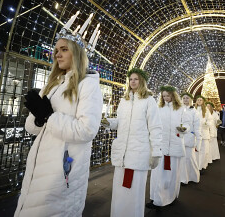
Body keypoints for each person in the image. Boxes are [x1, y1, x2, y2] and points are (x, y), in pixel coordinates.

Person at [15, 36, 103, 217]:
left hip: (62, 172)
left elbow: (86, 130)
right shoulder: (53, 84)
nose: (57, 55)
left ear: (77, 53)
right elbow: (32, 127)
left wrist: (49, 116)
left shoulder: (88, 85)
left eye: (64, 49)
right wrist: (39, 118)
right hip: (38, 168)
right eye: (56, 51)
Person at [101, 68, 162, 217]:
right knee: (120, 190)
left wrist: (156, 152)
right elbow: (120, 122)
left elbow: (155, 127)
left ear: (142, 81)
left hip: (138, 152)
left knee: (134, 191)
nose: (133, 81)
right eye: (131, 79)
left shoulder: (149, 101)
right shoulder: (124, 100)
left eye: (136, 79)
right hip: (122, 153)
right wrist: (108, 122)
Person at [147, 86, 189, 208]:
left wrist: (184, 129)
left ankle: (171, 196)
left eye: (168, 96)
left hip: (175, 146)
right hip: (161, 146)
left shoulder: (181, 109)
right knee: (158, 175)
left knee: (173, 174)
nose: (166, 98)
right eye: (164, 96)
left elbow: (186, 124)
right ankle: (157, 199)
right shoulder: (159, 108)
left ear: (173, 96)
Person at [179, 92, 201, 185]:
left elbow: (197, 126)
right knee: (181, 160)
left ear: (191, 100)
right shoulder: (179, 109)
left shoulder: (194, 111)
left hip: (189, 137)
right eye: (184, 98)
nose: (185, 100)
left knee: (190, 159)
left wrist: (198, 138)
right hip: (180, 137)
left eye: (187, 98)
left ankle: (193, 177)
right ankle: (182, 178)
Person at [195, 95, 211, 172]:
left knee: (204, 150)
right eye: (198, 100)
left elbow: (210, 120)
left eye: (201, 100)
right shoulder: (194, 109)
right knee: (196, 150)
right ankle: (196, 166)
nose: (199, 101)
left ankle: (202, 166)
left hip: (204, 132)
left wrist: (206, 124)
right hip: (196, 133)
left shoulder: (206, 110)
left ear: (203, 101)